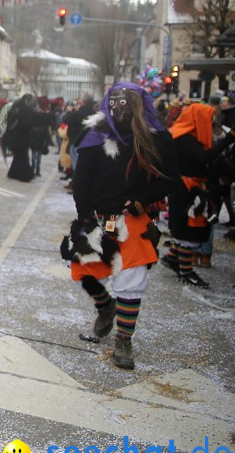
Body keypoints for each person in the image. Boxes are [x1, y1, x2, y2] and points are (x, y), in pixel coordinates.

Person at [63, 83, 176, 370]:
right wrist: (84, 214)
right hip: (96, 218)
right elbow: (81, 180)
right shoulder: (94, 135)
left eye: (127, 103)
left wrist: (143, 200)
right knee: (84, 273)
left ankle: (124, 339)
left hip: (132, 221)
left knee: (131, 282)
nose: (120, 109)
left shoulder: (155, 138)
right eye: (116, 102)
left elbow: (169, 178)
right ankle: (105, 306)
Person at [159, 102, 232, 288]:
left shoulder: (186, 134)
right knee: (187, 230)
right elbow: (203, 158)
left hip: (191, 187)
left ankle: (173, 259)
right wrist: (227, 140)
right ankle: (186, 271)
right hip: (186, 188)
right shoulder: (182, 136)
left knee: (190, 228)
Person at [3, 94, 53, 182]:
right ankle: (25, 175)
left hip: (16, 138)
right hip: (19, 139)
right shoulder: (23, 111)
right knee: (21, 157)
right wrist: (49, 117)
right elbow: (33, 119)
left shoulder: (17, 108)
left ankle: (13, 173)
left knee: (19, 157)